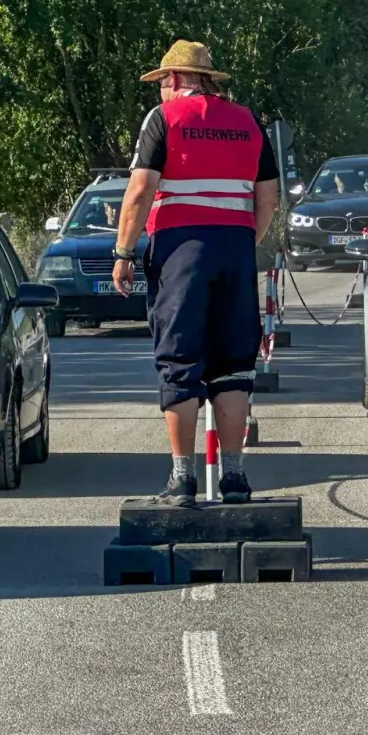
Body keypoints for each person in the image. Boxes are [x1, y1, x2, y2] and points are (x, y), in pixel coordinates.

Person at [111, 40, 281, 507]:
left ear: (177, 80)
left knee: (180, 363)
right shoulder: (249, 122)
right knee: (233, 367)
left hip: (180, 253)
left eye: (163, 82)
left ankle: (181, 478)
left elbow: (140, 190)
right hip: (235, 250)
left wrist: (124, 251)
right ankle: (235, 479)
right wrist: (246, 240)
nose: (161, 91)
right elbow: (268, 198)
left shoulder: (163, 121)